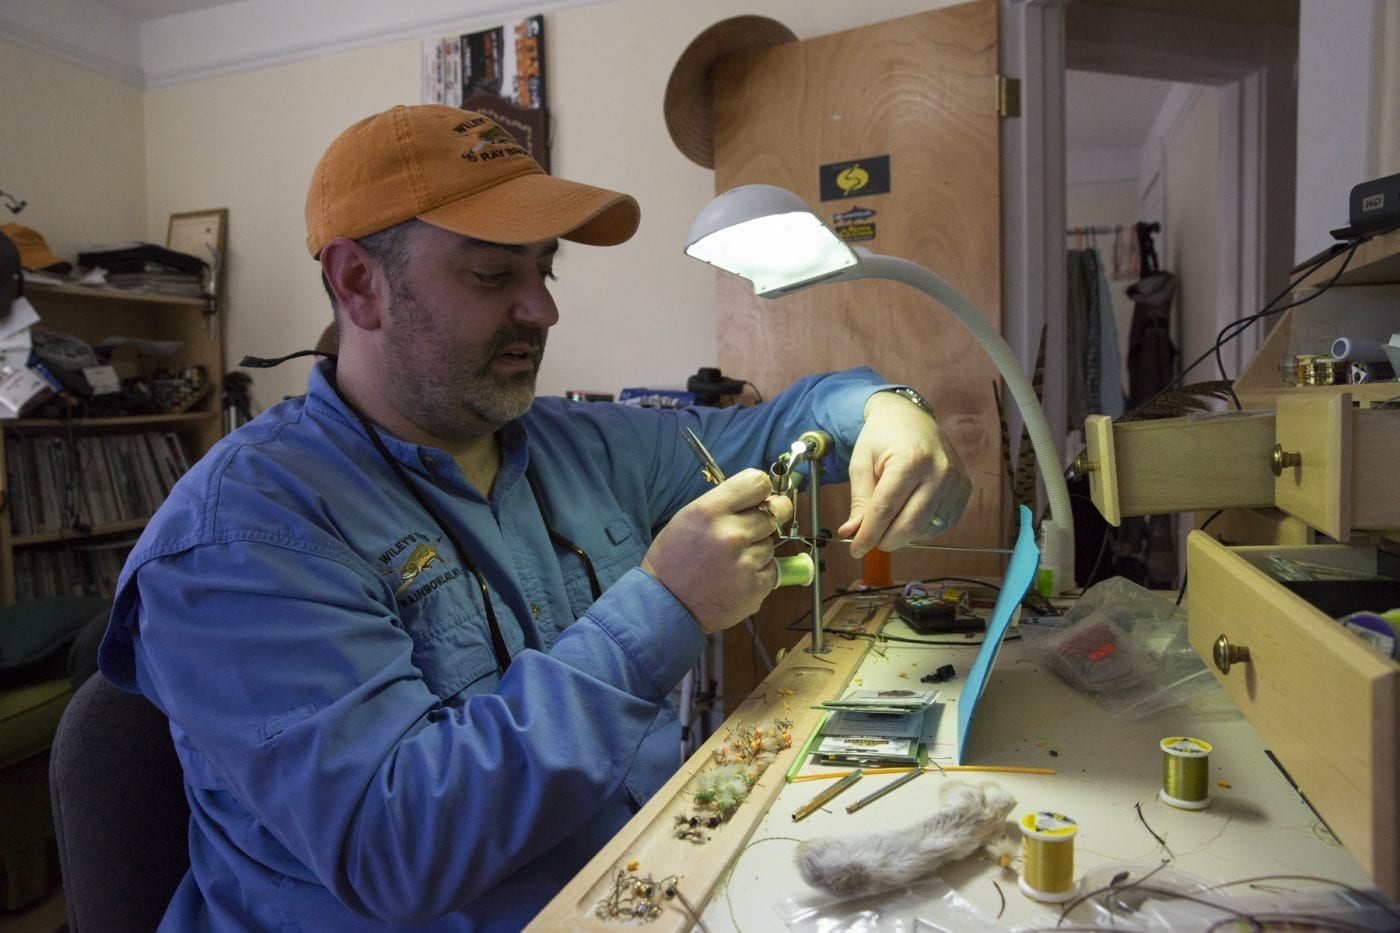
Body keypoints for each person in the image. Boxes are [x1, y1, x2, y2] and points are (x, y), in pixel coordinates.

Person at [99, 103, 971, 930]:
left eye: (543, 269)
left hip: (634, 882)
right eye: (491, 274)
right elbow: (395, 844)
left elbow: (781, 422)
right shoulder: (242, 536)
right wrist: (664, 607)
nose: (543, 310)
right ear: (359, 284)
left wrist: (888, 407)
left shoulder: (572, 443)